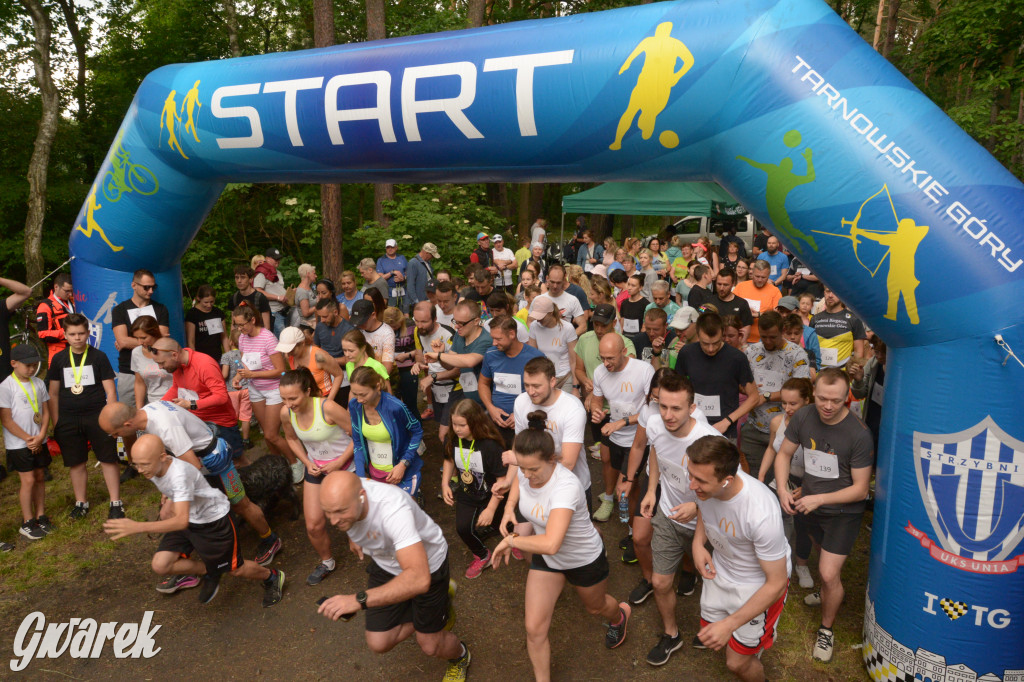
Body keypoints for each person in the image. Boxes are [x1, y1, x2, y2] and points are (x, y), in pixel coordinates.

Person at [493, 415, 631, 681]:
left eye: (533, 469)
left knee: (597, 607)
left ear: (552, 460)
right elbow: (519, 485)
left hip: (582, 559)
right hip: (548, 561)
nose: (527, 475)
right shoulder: (526, 470)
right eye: (522, 468)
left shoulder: (565, 487)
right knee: (534, 629)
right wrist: (509, 508)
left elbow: (552, 542)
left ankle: (620, 616)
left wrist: (511, 540)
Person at [317, 471, 471, 682]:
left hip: (427, 567)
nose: (333, 521)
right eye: (328, 512)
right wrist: (352, 534)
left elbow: (419, 578)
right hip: (386, 562)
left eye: (341, 512)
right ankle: (436, 607)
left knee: (430, 645)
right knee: (379, 642)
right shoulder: (344, 492)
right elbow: (341, 509)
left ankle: (461, 656)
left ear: (362, 495)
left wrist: (357, 600)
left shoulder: (393, 510)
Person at [98, 400, 283, 571]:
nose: (115, 437)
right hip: (198, 462)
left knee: (240, 504)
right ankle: (186, 560)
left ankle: (270, 539)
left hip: (214, 462)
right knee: (183, 512)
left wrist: (173, 496)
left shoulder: (165, 427)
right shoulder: (146, 412)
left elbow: (193, 465)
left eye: (115, 433)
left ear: (127, 425)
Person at [103, 434, 285, 607]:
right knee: (161, 564)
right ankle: (209, 571)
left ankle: (272, 577)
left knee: (235, 569)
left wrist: (137, 527)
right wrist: (168, 498)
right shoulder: (155, 468)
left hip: (213, 522)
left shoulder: (180, 476)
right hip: (190, 519)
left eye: (144, 464)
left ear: (163, 457)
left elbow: (180, 521)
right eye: (136, 465)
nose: (140, 470)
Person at [774, 369, 873, 663]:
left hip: (842, 511)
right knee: (823, 558)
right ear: (813, 392)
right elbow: (783, 454)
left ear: (847, 398)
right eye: (822, 399)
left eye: (836, 401)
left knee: (828, 572)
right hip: (809, 503)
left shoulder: (859, 434)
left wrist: (819, 498)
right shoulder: (803, 416)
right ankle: (828, 591)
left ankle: (826, 630)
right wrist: (782, 489)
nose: (828, 406)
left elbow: (860, 490)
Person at [688, 436, 790, 680]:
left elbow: (776, 584)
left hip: (756, 587)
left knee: (736, 663)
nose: (691, 485)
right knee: (714, 634)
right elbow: (704, 506)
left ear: (727, 480)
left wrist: (730, 624)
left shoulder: (761, 514)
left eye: (700, 480)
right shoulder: (704, 481)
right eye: (690, 475)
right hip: (720, 571)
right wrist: (697, 542)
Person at [639, 374, 724, 666]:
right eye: (662, 406)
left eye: (676, 408)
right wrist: (652, 489)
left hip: (709, 527)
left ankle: (717, 628)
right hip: (668, 516)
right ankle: (671, 635)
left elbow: (729, 490)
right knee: (661, 582)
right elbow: (655, 452)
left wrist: (697, 507)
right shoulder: (654, 425)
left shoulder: (710, 440)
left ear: (692, 407)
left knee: (716, 585)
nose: (667, 415)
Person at [279, 368, 353, 586]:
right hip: (317, 469)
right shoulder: (286, 413)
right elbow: (291, 439)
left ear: (308, 391)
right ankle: (327, 562)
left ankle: (368, 549)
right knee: (313, 525)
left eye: (293, 398)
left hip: (345, 466)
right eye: (283, 399)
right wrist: (307, 462)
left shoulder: (327, 407)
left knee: (351, 518)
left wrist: (340, 462)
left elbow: (357, 434)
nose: (289, 403)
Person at [46, 313, 122, 520]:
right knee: (76, 462)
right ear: (65, 335)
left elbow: (111, 391)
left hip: (96, 416)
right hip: (68, 418)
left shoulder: (98, 356)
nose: (77, 338)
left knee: (107, 458)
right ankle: (81, 502)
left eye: (81, 333)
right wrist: (57, 420)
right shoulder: (59, 359)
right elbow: (52, 392)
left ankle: (116, 502)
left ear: (88, 333)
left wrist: (111, 418)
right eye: (72, 334)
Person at [757, 377, 815, 589]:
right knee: (775, 521)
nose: (788, 408)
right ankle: (777, 565)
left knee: (804, 525)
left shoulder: (817, 426)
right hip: (782, 479)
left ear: (807, 401)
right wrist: (762, 476)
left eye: (793, 404)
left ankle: (801, 565)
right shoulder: (776, 422)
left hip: (807, 483)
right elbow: (772, 449)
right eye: (784, 403)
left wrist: (809, 486)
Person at [590, 333, 655, 523]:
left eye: (610, 358)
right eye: (602, 358)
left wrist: (623, 422)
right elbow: (597, 399)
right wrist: (596, 411)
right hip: (612, 429)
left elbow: (652, 409)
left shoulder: (644, 370)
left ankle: (632, 528)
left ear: (624, 352)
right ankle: (608, 499)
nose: (606, 363)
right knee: (606, 460)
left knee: (628, 487)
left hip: (636, 436)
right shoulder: (600, 372)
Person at [441, 399, 509, 579]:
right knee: (463, 528)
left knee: (501, 523)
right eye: (454, 424)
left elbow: (502, 479)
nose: (456, 428)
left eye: (462, 425)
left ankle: (514, 541)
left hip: (492, 494)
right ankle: (482, 554)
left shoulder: (490, 445)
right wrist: (444, 483)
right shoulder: (453, 439)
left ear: (475, 422)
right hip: (467, 492)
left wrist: (491, 509)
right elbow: (448, 458)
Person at [153, 336, 247, 461]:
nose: (160, 367)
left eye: (162, 363)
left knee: (237, 462)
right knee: (212, 465)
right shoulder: (177, 366)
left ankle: (250, 479)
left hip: (221, 424)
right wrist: (158, 406)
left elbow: (221, 397)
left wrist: (190, 404)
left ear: (174, 355)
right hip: (198, 423)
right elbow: (176, 387)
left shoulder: (204, 364)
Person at [231, 304, 297, 480]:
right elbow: (245, 364)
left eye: (242, 324)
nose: (240, 329)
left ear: (252, 320)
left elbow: (281, 370)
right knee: (267, 436)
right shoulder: (243, 338)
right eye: (236, 325)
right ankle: (278, 466)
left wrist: (253, 374)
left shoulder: (268, 338)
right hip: (255, 389)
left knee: (271, 434)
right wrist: (238, 376)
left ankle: (295, 463)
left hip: (274, 389)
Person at [741, 311, 811, 476]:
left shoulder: (797, 354)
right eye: (763, 336)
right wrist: (746, 389)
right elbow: (741, 383)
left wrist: (765, 396)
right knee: (753, 477)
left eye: (772, 337)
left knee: (780, 478)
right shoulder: (751, 352)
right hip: (754, 428)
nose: (767, 341)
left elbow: (802, 388)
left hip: (785, 429)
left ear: (782, 331)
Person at [514, 356, 590, 507]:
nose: (531, 392)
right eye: (527, 385)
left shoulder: (572, 408)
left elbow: (568, 462)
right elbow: (519, 445)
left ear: (552, 382)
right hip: (532, 482)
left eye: (536, 386)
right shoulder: (521, 402)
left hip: (569, 486)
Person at [675, 312, 759, 444]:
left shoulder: (736, 358)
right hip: (692, 426)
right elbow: (677, 389)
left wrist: (728, 421)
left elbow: (754, 397)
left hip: (724, 430)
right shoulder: (687, 353)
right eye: (705, 343)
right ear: (697, 333)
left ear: (722, 333)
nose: (710, 349)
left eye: (716, 343)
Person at [1, 344, 53, 541]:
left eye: (34, 365)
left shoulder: (38, 383)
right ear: (14, 363)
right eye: (28, 365)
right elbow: (6, 419)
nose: (31, 369)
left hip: (39, 439)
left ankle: (41, 516)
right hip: (19, 443)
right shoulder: (6, 386)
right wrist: (28, 439)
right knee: (28, 480)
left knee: (40, 476)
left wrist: (41, 436)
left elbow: (45, 411)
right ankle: (27, 521)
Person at [348, 366, 424, 497]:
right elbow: (358, 443)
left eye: (363, 394)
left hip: (402, 472)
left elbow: (417, 432)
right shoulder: (355, 406)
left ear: (377, 387)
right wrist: (360, 477)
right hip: (376, 473)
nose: (359, 400)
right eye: (355, 394)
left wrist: (404, 464)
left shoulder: (395, 407)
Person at [479, 317, 546, 446]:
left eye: (498, 339)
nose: (493, 343)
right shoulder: (490, 354)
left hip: (527, 422)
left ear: (512, 334)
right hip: (497, 422)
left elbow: (544, 393)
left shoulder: (535, 357)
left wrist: (521, 414)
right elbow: (483, 383)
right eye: (492, 338)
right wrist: (490, 408)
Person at [111, 269, 170, 404]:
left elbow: (164, 339)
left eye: (153, 287)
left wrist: (129, 341)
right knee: (131, 417)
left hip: (158, 369)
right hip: (129, 370)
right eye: (146, 287)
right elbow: (123, 341)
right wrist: (154, 338)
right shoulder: (119, 310)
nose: (150, 291)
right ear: (134, 285)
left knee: (159, 415)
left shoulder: (161, 309)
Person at [423, 301, 491, 406]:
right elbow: (450, 366)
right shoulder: (460, 335)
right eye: (455, 321)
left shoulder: (486, 340)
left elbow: (470, 361)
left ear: (476, 321)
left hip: (485, 401)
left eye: (461, 323)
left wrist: (439, 356)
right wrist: (441, 355)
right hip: (466, 397)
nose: (456, 327)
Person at [411, 301, 460, 442]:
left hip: (455, 388)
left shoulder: (449, 334)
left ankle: (452, 461)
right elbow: (420, 357)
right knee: (442, 426)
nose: (420, 326)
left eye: (424, 322)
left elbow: (458, 369)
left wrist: (432, 376)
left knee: (447, 431)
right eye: (417, 321)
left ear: (434, 319)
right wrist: (418, 365)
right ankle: (449, 458)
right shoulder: (417, 331)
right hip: (436, 388)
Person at [277, 326, 344, 402]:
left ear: (302, 343)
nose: (288, 354)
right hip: (305, 400)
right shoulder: (289, 356)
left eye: (291, 350)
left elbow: (339, 375)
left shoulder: (319, 356)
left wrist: (329, 401)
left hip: (323, 397)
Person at [527, 297, 578, 390]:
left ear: (550, 313)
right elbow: (532, 356)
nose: (538, 320)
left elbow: (574, 359)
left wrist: (575, 386)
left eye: (541, 317)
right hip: (544, 376)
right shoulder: (534, 326)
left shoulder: (567, 328)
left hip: (564, 376)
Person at [810, 288, 867, 369]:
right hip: (819, 375)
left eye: (834, 292)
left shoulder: (853, 319)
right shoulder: (815, 319)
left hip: (842, 375)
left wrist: (853, 376)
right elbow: (810, 349)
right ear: (824, 293)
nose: (830, 295)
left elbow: (858, 352)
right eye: (828, 291)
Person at [849, 335, 887, 451]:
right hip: (872, 419)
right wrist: (858, 380)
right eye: (876, 351)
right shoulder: (873, 363)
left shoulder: (900, 368)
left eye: (883, 353)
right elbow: (859, 394)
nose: (879, 357)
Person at [732, 260, 781, 343]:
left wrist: (759, 314)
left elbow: (778, 316)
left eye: (763, 277)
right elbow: (730, 307)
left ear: (768, 276)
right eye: (757, 276)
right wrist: (744, 312)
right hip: (740, 338)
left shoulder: (775, 291)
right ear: (752, 273)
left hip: (763, 340)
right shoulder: (741, 287)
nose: (759, 280)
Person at [130, 315, 173, 407]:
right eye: (137, 338)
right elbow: (139, 382)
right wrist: (139, 409)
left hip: (175, 401)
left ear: (154, 333)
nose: (139, 342)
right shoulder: (136, 353)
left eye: (143, 338)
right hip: (153, 403)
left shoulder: (170, 348)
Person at [220, 330, 252, 452]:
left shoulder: (226, 356)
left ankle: (234, 441)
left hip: (231, 390)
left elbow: (225, 374)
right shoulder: (245, 354)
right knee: (245, 416)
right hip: (246, 389)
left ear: (230, 341)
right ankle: (246, 440)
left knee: (232, 416)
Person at [385, 307, 420, 419]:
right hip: (391, 369)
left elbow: (422, 348)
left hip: (409, 368)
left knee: (410, 404)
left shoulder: (411, 325)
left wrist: (407, 355)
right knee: (393, 403)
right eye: (391, 327)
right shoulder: (382, 328)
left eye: (396, 326)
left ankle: (417, 432)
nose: (394, 329)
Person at [535, 264, 587, 336]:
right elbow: (530, 322)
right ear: (547, 278)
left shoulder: (572, 300)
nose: (555, 286)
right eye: (552, 282)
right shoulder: (538, 300)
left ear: (564, 279)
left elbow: (583, 326)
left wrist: (568, 339)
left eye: (558, 283)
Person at [35, 273, 74, 364]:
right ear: (56, 287)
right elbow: (42, 334)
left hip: (77, 349)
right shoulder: (45, 306)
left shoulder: (74, 301)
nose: (70, 294)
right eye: (67, 291)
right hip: (58, 351)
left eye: (72, 291)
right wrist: (66, 333)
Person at [350, 298, 396, 374]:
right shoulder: (357, 330)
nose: (360, 324)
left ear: (373, 315)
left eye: (363, 321)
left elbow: (387, 366)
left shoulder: (387, 333)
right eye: (357, 321)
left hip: (379, 377)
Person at [253, 247, 291, 336]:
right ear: (267, 259)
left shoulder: (277, 272)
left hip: (284, 311)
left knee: (286, 339)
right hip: (273, 313)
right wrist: (277, 297)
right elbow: (258, 291)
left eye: (279, 258)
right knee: (281, 341)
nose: (277, 260)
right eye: (275, 258)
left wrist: (290, 293)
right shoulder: (261, 272)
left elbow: (277, 289)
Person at [185, 285, 229, 360]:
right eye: (206, 302)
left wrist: (229, 355)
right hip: (201, 357)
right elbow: (190, 341)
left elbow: (224, 337)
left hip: (217, 356)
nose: (209, 305)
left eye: (212, 302)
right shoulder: (192, 314)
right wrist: (195, 360)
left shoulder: (218, 313)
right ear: (199, 298)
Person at [711, 269, 753, 343]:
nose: (721, 288)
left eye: (725, 285)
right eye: (719, 284)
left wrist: (740, 346)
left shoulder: (742, 304)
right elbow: (700, 321)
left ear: (733, 283)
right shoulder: (707, 301)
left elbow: (747, 327)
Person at [230, 265, 272, 330]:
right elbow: (233, 324)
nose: (239, 281)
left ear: (251, 279)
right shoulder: (234, 298)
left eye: (243, 277)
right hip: (240, 336)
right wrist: (232, 338)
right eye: (236, 277)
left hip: (258, 336)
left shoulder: (260, 298)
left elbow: (267, 327)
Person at [376, 239, 409, 310]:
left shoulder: (402, 258)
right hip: (389, 292)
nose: (390, 249)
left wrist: (403, 278)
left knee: (405, 312)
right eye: (388, 247)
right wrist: (392, 272)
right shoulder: (381, 260)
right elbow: (380, 278)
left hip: (403, 290)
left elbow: (408, 273)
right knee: (391, 314)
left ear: (396, 247)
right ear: (385, 248)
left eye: (392, 247)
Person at [619, 274, 650, 347]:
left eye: (633, 285)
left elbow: (645, 326)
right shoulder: (624, 303)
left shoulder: (645, 304)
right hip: (625, 339)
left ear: (640, 288)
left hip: (638, 340)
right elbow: (622, 322)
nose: (629, 288)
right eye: (628, 284)